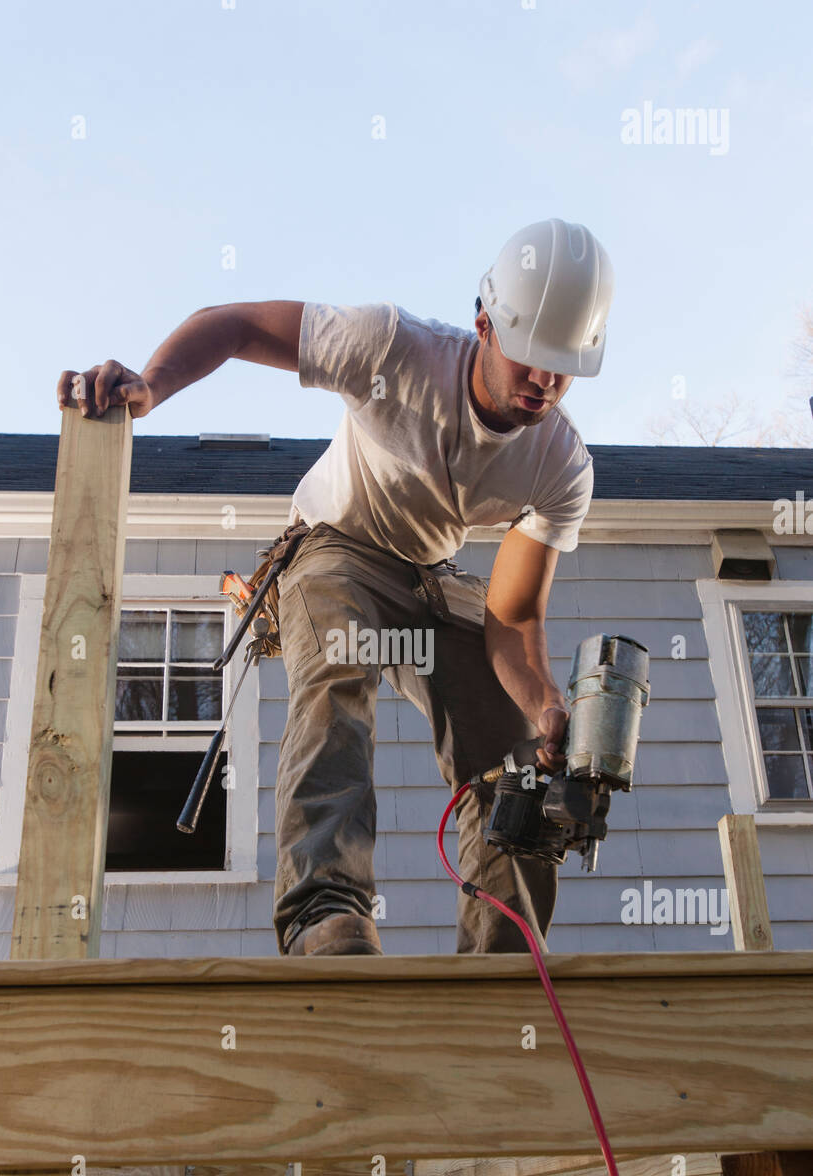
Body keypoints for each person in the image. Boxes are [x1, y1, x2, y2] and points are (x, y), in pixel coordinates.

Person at [57, 217, 614, 958]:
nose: (544, 382)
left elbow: (511, 616)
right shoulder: (390, 345)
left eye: (563, 365)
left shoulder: (560, 465)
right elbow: (236, 325)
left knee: (510, 751)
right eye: (531, 359)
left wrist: (546, 704)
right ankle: (328, 913)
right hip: (335, 543)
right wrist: (152, 386)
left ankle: (505, 958)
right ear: (486, 323)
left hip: (431, 578)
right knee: (337, 678)